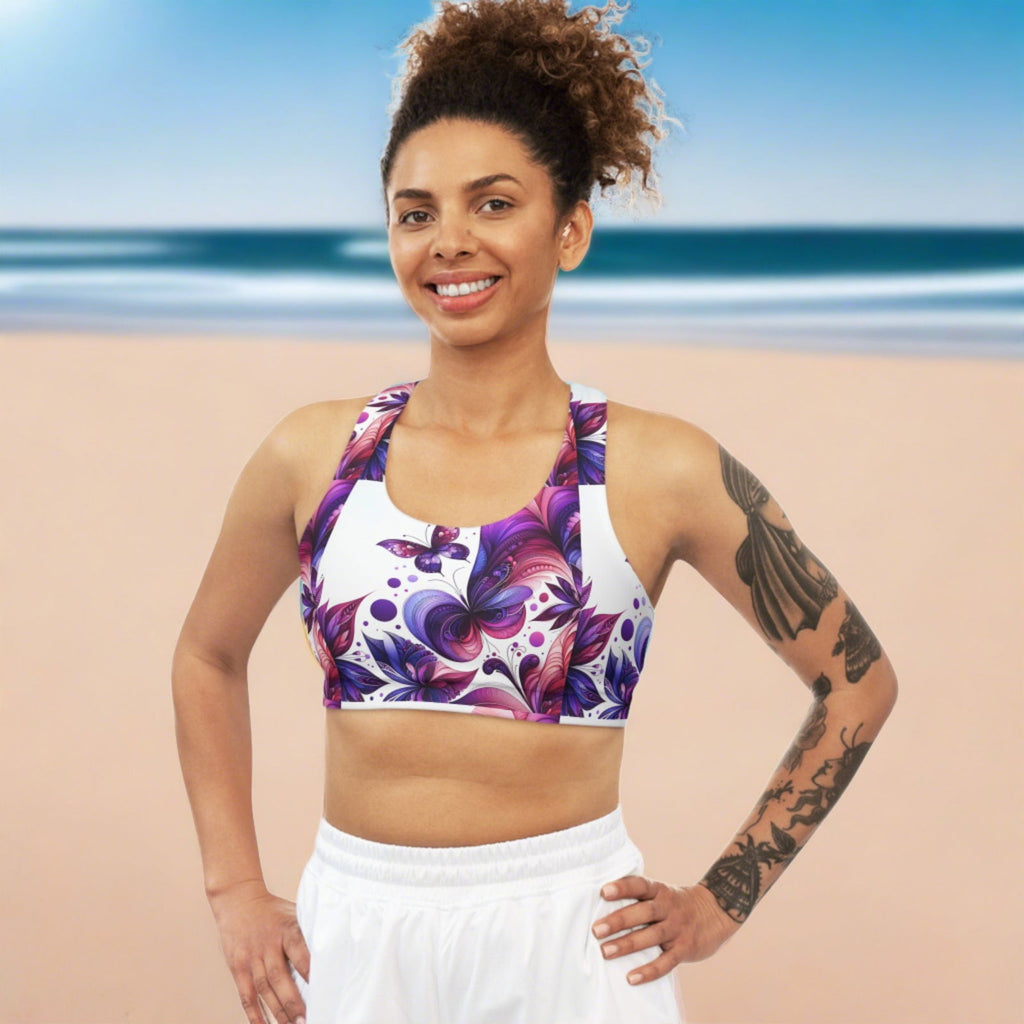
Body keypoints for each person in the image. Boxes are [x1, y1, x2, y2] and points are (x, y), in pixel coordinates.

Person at [172, 1, 898, 1022]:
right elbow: (206, 655)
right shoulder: (316, 454)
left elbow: (857, 679)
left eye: (494, 203)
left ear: (570, 230)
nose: (449, 241)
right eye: (415, 212)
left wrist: (722, 899)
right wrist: (234, 889)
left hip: (569, 941)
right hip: (357, 936)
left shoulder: (657, 467)